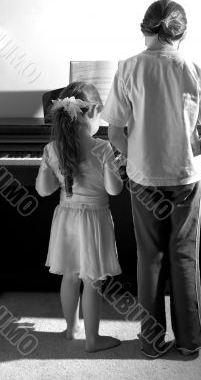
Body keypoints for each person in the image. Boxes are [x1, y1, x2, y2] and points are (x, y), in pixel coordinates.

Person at [101, 0, 201, 358]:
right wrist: (189, 154)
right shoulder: (196, 69)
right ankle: (189, 343)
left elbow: (114, 133)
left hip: (144, 177)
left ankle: (151, 342)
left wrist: (136, 157)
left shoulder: (128, 68)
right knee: (185, 256)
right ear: (181, 33)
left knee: (149, 257)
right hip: (186, 178)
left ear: (145, 28)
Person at [35, 81, 123, 352]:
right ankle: (93, 340)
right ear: (94, 111)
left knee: (69, 277)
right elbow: (114, 189)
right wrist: (114, 166)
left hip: (66, 220)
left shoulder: (52, 148)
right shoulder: (103, 148)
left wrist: (45, 165)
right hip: (94, 221)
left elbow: (44, 189)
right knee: (91, 282)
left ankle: (71, 329)